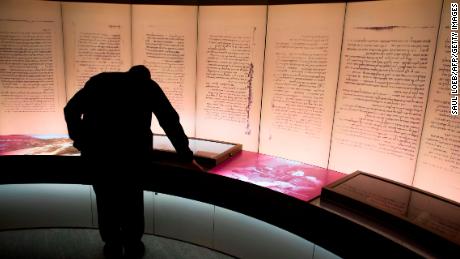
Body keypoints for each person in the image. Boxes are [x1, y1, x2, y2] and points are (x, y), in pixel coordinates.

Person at [64, 65, 203, 258]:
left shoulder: (99, 82)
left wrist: (81, 140)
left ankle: (111, 244)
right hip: (134, 157)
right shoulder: (147, 86)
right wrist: (186, 156)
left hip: (99, 155)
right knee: (133, 200)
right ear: (144, 76)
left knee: (105, 199)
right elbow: (169, 120)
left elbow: (70, 109)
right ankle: (133, 244)